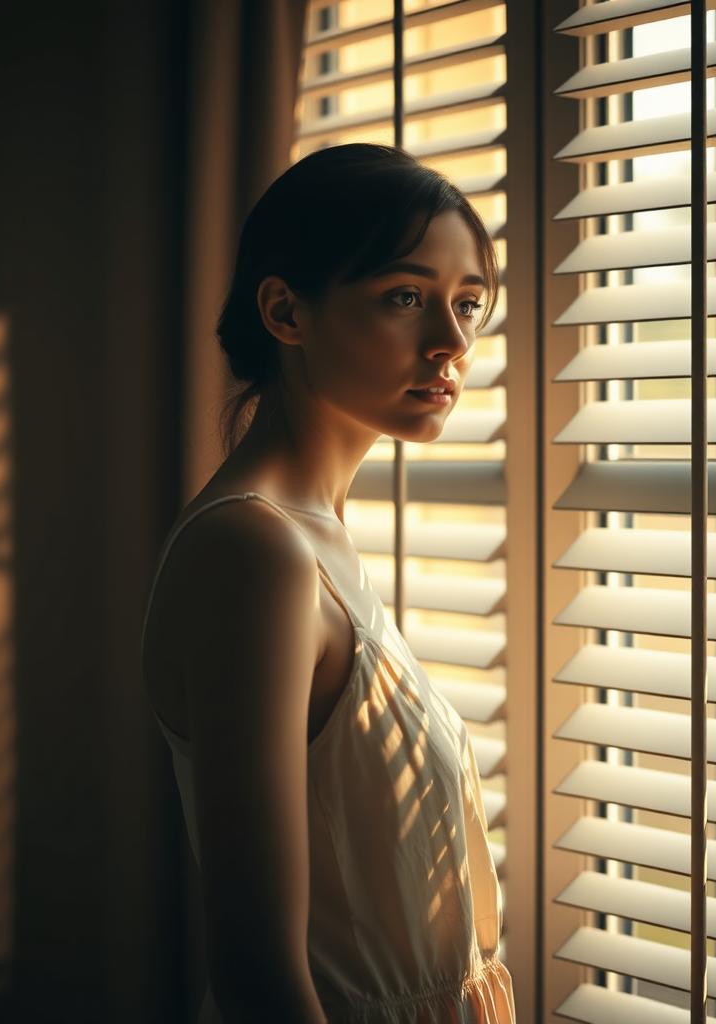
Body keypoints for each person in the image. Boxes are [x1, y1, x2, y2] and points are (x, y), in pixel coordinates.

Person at [141, 143, 515, 1023]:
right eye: (405, 298)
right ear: (285, 311)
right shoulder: (255, 551)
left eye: (467, 305)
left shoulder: (315, 538)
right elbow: (259, 976)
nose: (452, 343)